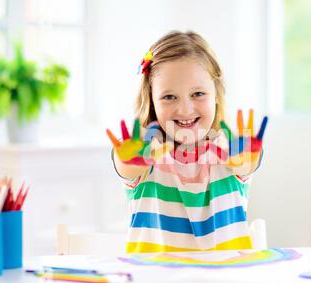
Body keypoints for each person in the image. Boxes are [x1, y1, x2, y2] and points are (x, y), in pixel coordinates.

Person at [106, 30, 268, 253]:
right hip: (154, 280)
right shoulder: (147, 150)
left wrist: (246, 156)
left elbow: (245, 163)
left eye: (198, 94)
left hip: (225, 280)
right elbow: (127, 167)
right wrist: (130, 159)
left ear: (216, 95)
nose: (184, 109)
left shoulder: (229, 150)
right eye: (169, 97)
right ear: (152, 101)